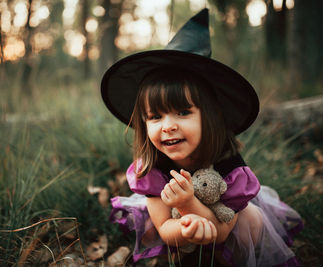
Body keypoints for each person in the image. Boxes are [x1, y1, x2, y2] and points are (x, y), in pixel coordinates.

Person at [102, 8, 303, 266]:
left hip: (225, 223)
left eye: (183, 112)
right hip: (175, 222)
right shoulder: (150, 168)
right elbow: (165, 228)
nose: (168, 126)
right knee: (170, 233)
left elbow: (220, 232)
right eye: (155, 117)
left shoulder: (230, 168)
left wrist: (187, 205)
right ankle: (188, 252)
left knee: (251, 220)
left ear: (212, 116)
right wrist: (185, 228)